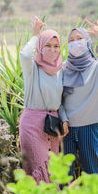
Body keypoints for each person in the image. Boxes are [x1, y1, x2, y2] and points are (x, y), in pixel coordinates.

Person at [60, 18, 98, 177]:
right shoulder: (63, 68)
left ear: (87, 42)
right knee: (64, 173)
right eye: (71, 40)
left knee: (92, 170)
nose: (75, 43)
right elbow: (57, 98)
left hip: (89, 126)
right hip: (66, 128)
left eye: (79, 38)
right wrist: (63, 119)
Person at [19, 17, 69, 184]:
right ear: (40, 47)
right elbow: (25, 55)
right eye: (47, 45)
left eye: (56, 46)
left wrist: (65, 120)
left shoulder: (59, 71)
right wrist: (36, 35)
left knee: (51, 170)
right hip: (32, 125)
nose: (52, 50)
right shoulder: (32, 67)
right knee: (38, 169)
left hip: (52, 127)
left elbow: (59, 100)